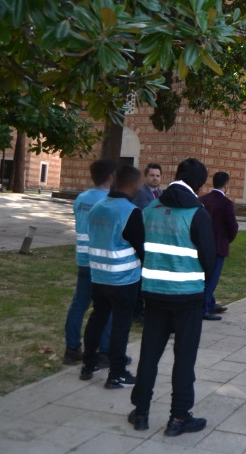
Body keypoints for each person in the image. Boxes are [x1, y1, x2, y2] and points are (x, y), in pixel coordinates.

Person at [129, 158, 216, 437]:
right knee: (184, 357)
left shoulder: (150, 209)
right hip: (187, 296)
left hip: (154, 293)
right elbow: (209, 259)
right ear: (200, 185)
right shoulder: (198, 214)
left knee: (149, 353)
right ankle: (179, 417)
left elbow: (139, 244)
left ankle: (141, 411)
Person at [80, 166, 144, 389]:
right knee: (120, 325)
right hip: (124, 279)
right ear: (132, 184)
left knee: (97, 318)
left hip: (98, 276)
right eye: (139, 183)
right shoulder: (130, 211)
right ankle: (116, 373)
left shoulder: (97, 207)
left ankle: (88, 364)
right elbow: (141, 247)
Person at [63, 159, 117, 365]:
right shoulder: (110, 201)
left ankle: (72, 348)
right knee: (106, 306)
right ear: (111, 176)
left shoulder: (81, 199)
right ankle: (105, 351)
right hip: (102, 261)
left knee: (80, 302)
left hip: (83, 258)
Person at [199, 172, 239, 321]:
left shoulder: (202, 199)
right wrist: (226, 240)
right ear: (226, 185)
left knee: (204, 276)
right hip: (218, 246)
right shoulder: (226, 203)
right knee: (212, 279)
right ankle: (204, 308)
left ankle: (211, 302)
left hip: (202, 245)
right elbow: (233, 227)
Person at [132, 163, 163, 322]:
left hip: (155, 239)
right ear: (145, 177)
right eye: (152, 175)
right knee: (141, 276)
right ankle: (137, 311)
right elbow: (148, 214)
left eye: (158, 176)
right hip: (144, 239)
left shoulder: (160, 193)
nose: (155, 178)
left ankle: (145, 307)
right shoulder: (141, 193)